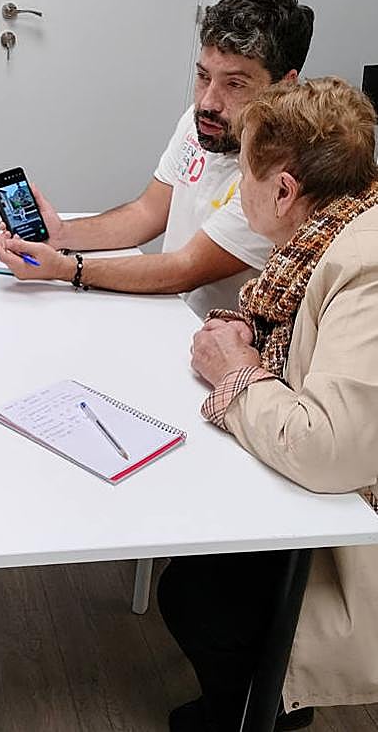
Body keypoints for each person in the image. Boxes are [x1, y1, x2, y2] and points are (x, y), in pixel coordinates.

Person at [159, 77, 378, 732]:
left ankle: (258, 714)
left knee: (199, 597)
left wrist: (236, 374)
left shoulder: (364, 266)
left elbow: (326, 448)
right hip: (337, 475)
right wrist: (250, 346)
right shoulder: (327, 235)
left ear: (282, 190)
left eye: (243, 176)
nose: (234, 192)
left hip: (353, 513)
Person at [0, 0, 315, 317]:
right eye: (204, 77)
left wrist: (64, 268)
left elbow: (186, 268)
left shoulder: (281, 174)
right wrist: (61, 234)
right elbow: (148, 212)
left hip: (216, 340)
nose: (208, 103)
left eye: (234, 84)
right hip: (168, 312)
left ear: (286, 84)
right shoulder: (203, 125)